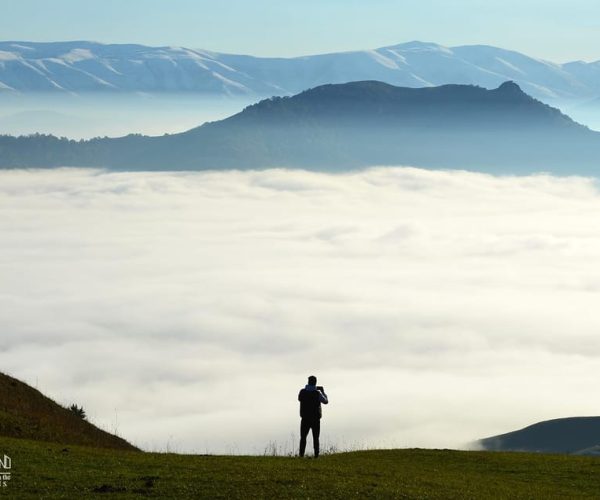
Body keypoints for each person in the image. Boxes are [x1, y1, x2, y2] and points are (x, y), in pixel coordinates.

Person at [298, 375, 328, 458]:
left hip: (305, 418)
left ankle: (301, 455)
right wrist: (323, 391)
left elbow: (299, 399)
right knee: (316, 438)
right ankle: (316, 455)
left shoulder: (302, 392)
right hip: (315, 419)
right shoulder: (317, 393)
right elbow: (326, 401)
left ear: (308, 382)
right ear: (315, 383)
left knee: (303, 438)